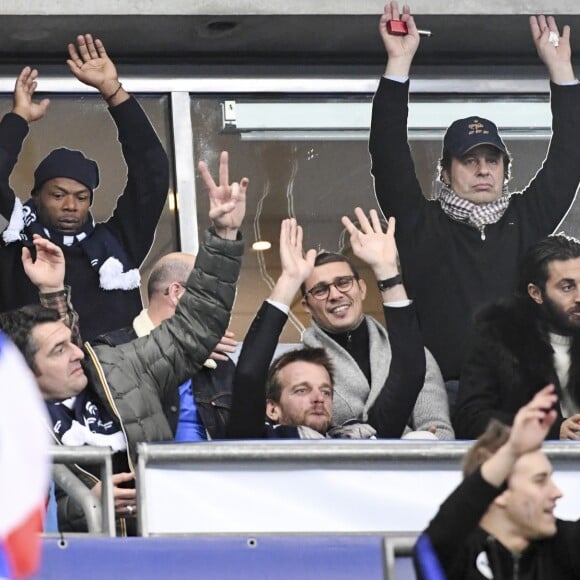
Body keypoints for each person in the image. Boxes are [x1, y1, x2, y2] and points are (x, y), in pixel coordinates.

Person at [0, 151, 246, 534]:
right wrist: (85, 506)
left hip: (167, 543)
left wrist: (224, 237)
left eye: (71, 342)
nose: (78, 352)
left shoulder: (118, 368)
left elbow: (195, 326)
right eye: (58, 350)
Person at [371, 3, 580, 383]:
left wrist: (561, 71)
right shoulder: (420, 223)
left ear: (504, 170)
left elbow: (570, 157)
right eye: (469, 160)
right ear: (446, 174)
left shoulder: (526, 218)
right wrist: (398, 64)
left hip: (519, 400)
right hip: (436, 398)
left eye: (492, 160)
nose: (483, 169)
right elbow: (388, 156)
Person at [0, 34, 170, 341]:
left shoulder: (118, 246)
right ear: (36, 197)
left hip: (111, 388)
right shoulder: (16, 253)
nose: (70, 205)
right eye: (58, 195)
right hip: (31, 386)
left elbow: (152, 172)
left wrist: (112, 91)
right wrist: (17, 119)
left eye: (81, 197)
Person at [229, 209, 450, 439]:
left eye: (326, 391)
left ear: (362, 289)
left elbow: (409, 370)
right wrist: (289, 281)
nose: (318, 398)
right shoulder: (263, 438)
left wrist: (388, 273)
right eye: (302, 390)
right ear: (272, 408)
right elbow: (248, 376)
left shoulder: (361, 438)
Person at [301, 208, 453, 439]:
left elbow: (439, 431)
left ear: (362, 289)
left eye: (343, 283)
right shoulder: (297, 366)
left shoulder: (414, 355)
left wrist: (386, 270)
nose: (335, 294)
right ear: (306, 305)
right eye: (321, 290)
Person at [414, 386, 580, 579]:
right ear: (498, 493)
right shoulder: (461, 555)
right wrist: (512, 450)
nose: (556, 492)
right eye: (540, 481)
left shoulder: (565, 547)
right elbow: (431, 546)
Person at [94, 250, 237, 441]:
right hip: (147, 470)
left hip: (212, 469)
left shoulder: (217, 360)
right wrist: (186, 347)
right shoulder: (111, 348)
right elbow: (124, 389)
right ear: (177, 293)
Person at [454, 235, 580, 441]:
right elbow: (470, 418)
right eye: (567, 287)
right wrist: (551, 430)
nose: (579, 297)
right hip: (529, 462)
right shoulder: (498, 339)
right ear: (536, 293)